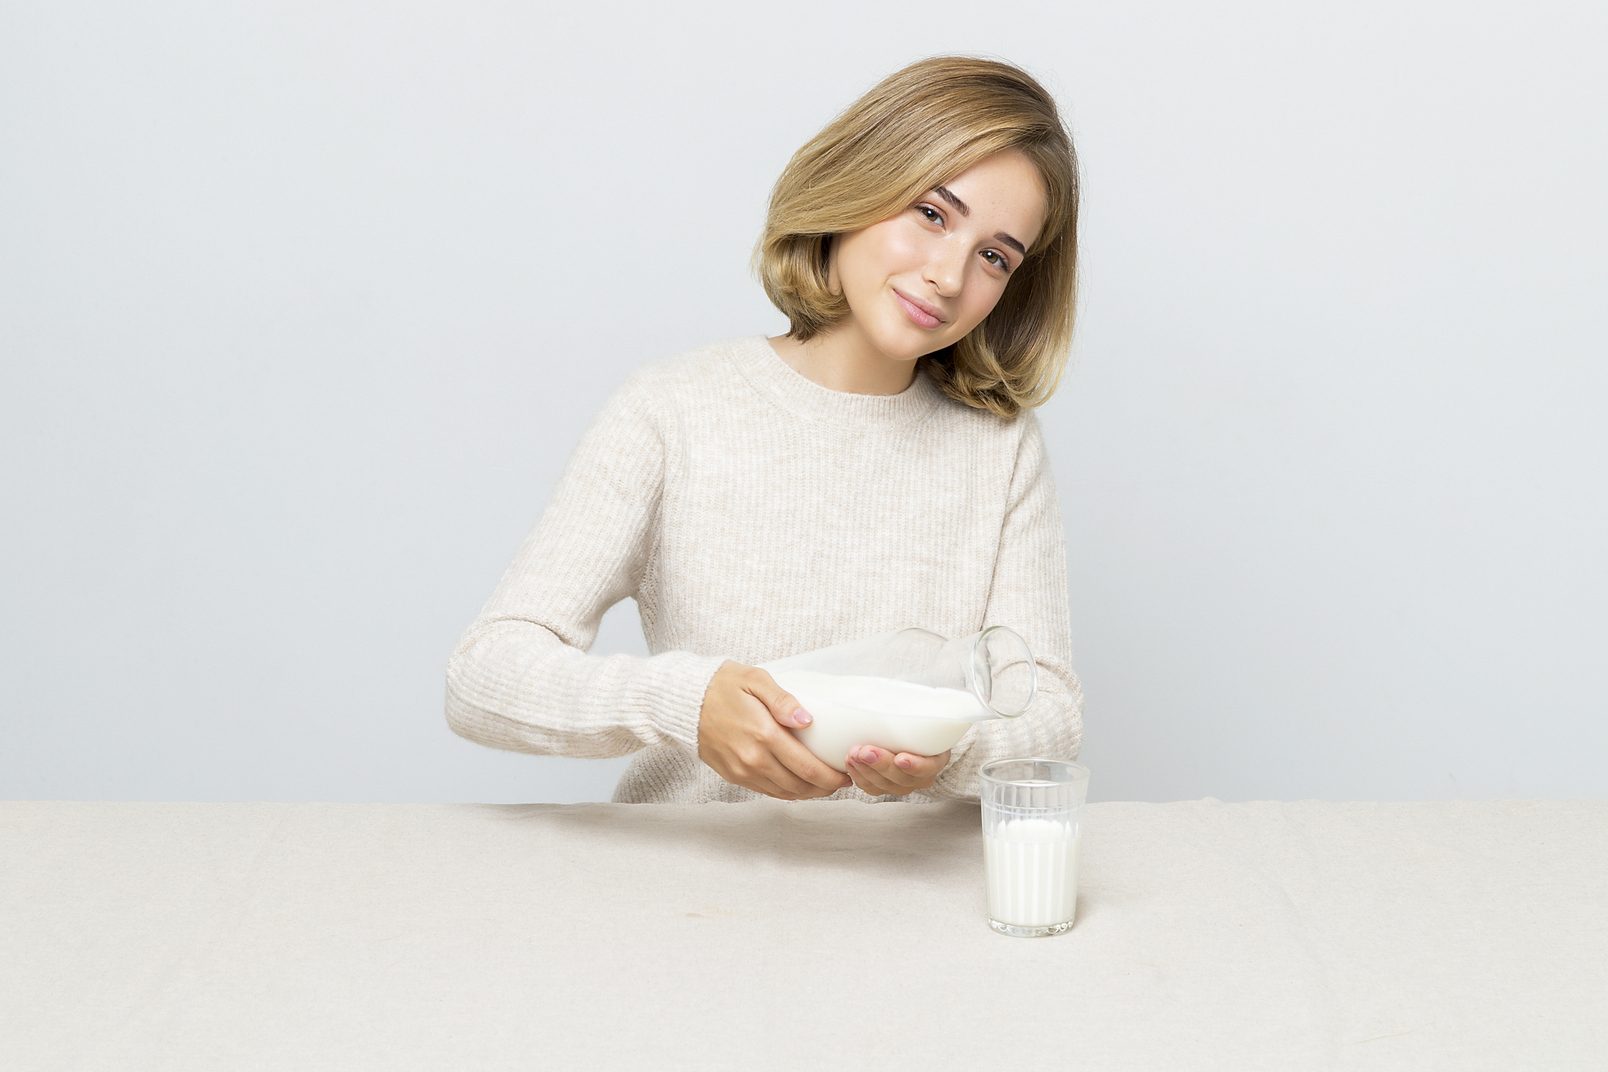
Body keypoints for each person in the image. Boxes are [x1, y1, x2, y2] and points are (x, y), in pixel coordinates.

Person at [444, 54, 1085, 804]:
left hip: (909, 898)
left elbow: (1049, 708)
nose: (949, 275)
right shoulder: (673, 410)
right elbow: (483, 674)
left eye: (994, 258)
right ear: (859, 183)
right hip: (689, 886)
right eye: (931, 213)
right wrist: (684, 703)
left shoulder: (999, 450)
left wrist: (951, 755)